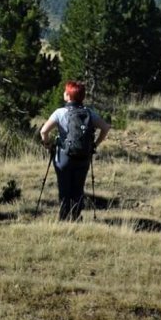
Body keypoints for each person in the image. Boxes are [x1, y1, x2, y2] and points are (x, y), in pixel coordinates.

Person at [39, 81, 110, 221]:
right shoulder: (89, 113)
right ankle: (76, 217)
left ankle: (63, 218)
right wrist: (95, 144)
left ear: (69, 96)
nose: (64, 93)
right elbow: (106, 127)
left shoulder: (60, 113)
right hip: (84, 156)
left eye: (66, 92)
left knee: (64, 188)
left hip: (63, 157)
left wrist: (48, 144)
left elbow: (43, 131)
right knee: (78, 188)